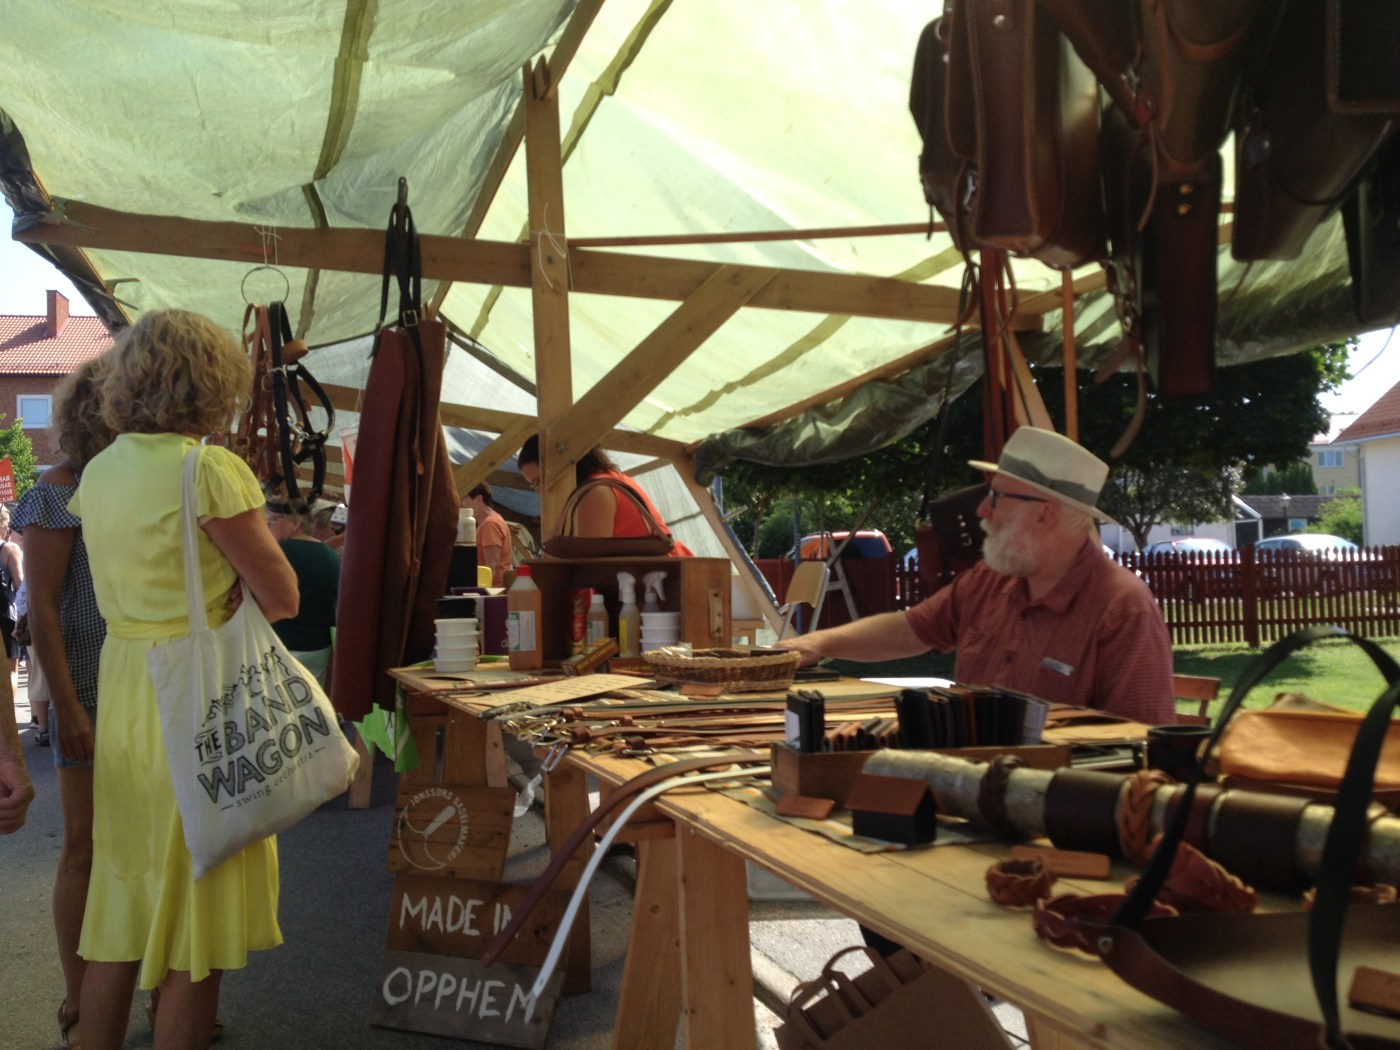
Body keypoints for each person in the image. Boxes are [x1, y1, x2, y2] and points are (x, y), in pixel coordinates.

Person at [71, 309, 298, 1050]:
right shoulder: (206, 470)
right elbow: (283, 596)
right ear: (211, 381)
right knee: (197, 918)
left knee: (122, 902)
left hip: (126, 689)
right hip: (197, 697)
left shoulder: (98, 472)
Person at [778, 427, 1175, 725]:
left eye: (997, 497)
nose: (982, 510)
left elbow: (1143, 747)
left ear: (1045, 514)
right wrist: (818, 643)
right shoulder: (990, 580)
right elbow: (910, 629)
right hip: (970, 785)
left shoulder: (1122, 609)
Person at [11, 355, 116, 1046]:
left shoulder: (141, 480)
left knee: (157, 848)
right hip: (90, 688)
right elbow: (42, 607)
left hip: (150, 688)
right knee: (85, 846)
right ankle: (80, 997)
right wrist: (68, 707)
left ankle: (164, 989)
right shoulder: (60, 486)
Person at [516, 436, 692, 554]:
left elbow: (591, 563)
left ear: (560, 467)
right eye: (533, 485)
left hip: (651, 584)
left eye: (539, 481)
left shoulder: (596, 491)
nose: (538, 491)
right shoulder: (612, 478)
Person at [264, 503, 341, 686]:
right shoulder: (331, 556)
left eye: (273, 520)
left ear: (296, 523)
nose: (268, 526)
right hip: (319, 648)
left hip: (281, 645)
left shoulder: (279, 552)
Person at [0, 505, 28, 734]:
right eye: (7, 524)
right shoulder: (9, 549)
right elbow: (20, 586)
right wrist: (23, 620)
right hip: (5, 615)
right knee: (10, 671)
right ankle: (7, 723)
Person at [461, 481, 513, 586]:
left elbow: (492, 566)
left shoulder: (490, 524)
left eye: (464, 498)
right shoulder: (490, 521)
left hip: (492, 589)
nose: (461, 503)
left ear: (479, 499)